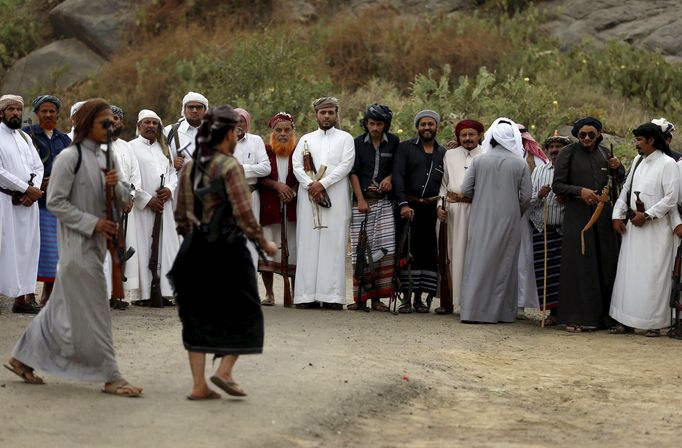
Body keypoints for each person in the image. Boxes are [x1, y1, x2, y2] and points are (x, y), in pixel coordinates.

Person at [6, 98, 143, 397]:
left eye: (113, 122)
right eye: (104, 122)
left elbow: (121, 200)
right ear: (87, 124)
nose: (111, 127)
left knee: (57, 309)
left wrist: (116, 185)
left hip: (99, 247)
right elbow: (55, 202)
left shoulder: (107, 158)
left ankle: (21, 358)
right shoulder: (70, 158)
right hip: (77, 249)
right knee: (98, 313)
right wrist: (92, 223)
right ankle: (112, 377)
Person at [170, 105, 277, 400]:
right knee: (244, 309)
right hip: (228, 250)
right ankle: (225, 370)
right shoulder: (231, 166)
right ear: (229, 133)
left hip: (194, 248)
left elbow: (181, 213)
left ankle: (198, 385)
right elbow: (244, 213)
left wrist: (192, 239)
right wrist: (264, 243)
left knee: (197, 313)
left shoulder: (191, 166)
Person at [552, 117, 624, 332]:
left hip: (603, 217)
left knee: (606, 263)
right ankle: (576, 317)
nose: (586, 138)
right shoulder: (568, 153)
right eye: (582, 134)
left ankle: (604, 318)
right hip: (578, 215)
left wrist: (618, 167)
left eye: (591, 134)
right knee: (579, 265)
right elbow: (558, 185)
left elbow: (620, 180)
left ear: (598, 134)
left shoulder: (605, 153)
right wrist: (580, 191)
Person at [459, 117, 532, 323]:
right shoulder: (520, 163)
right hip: (509, 220)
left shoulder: (480, 160)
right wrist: (514, 211)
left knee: (478, 263)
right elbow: (527, 196)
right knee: (505, 266)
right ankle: (501, 313)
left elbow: (465, 189)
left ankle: (473, 312)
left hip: (481, 219)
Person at [610, 123, 679, 336]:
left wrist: (648, 215)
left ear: (651, 140)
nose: (636, 144)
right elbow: (626, 190)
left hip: (656, 230)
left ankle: (653, 323)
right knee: (629, 273)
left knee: (653, 275)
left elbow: (671, 198)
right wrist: (617, 214)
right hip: (633, 228)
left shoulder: (668, 164)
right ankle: (625, 320)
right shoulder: (639, 160)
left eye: (640, 140)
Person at [292, 97, 354, 310]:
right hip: (308, 196)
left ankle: (332, 296)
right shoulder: (306, 139)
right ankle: (305, 295)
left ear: (336, 114)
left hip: (335, 196)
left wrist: (323, 184)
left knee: (333, 244)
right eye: (322, 113)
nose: (326, 116)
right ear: (316, 115)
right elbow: (296, 165)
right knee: (308, 243)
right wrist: (311, 184)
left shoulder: (346, 138)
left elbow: (346, 165)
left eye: (330, 112)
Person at [392, 110, 446, 313]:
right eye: (423, 124)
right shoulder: (405, 148)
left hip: (432, 210)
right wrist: (403, 204)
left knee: (428, 252)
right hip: (409, 207)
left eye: (430, 124)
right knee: (407, 250)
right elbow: (397, 176)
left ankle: (419, 299)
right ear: (417, 127)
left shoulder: (443, 153)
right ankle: (405, 298)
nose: (426, 128)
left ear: (436, 127)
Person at [348, 104, 399, 311]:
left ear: (385, 125)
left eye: (379, 124)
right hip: (362, 204)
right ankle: (360, 298)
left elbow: (399, 167)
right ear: (366, 124)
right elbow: (353, 173)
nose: (375, 128)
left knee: (383, 251)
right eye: (371, 123)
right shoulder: (358, 143)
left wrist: (390, 178)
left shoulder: (394, 142)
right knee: (360, 250)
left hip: (385, 204)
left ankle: (378, 299)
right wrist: (360, 199)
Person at [22, 95, 71, 307]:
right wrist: (39, 183)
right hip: (33, 203)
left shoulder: (64, 140)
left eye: (52, 111)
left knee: (54, 253)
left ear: (58, 114)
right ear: (36, 113)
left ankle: (47, 297)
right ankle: (26, 296)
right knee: (31, 249)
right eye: (44, 111)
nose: (48, 114)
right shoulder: (26, 136)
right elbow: (20, 165)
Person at [130, 109, 180, 307]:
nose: (151, 126)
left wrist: (169, 188)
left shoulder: (163, 148)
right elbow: (128, 177)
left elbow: (172, 173)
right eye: (147, 122)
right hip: (141, 208)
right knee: (143, 247)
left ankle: (165, 292)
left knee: (166, 247)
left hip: (164, 207)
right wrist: (146, 199)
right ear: (139, 126)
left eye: (154, 123)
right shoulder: (130, 147)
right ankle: (143, 294)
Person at [0, 94, 44, 314]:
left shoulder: (25, 138)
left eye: (18, 109)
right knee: (3, 247)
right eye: (10, 109)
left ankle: (22, 299)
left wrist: (32, 191)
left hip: (28, 204)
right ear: (2, 112)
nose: (15, 113)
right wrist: (25, 188)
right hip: (5, 201)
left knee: (27, 249)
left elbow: (38, 167)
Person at [436, 119, 484, 315]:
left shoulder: (486, 155)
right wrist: (440, 206)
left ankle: (473, 302)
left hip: (477, 211)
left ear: (480, 136)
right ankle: (453, 301)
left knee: (474, 256)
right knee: (452, 255)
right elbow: (443, 185)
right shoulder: (450, 154)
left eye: (471, 134)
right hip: (454, 213)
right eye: (463, 135)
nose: (467, 138)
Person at [529, 132, 571, 325]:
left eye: (559, 147)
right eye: (551, 147)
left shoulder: (573, 170)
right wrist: (539, 195)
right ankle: (552, 314)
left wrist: (568, 198)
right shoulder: (538, 171)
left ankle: (568, 312)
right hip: (543, 229)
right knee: (547, 273)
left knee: (567, 272)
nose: (554, 150)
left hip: (566, 229)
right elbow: (527, 202)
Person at [257, 112, 299, 306]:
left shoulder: (298, 150)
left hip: (292, 207)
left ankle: (295, 293)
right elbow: (259, 178)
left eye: (287, 130)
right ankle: (270, 294)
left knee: (293, 249)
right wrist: (277, 186)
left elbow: (305, 175)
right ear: (272, 132)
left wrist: (292, 191)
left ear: (292, 131)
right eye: (278, 130)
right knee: (268, 249)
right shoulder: (265, 150)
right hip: (269, 207)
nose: (283, 134)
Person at [102, 105, 141, 309]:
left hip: (124, 206)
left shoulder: (127, 147)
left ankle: (116, 296)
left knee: (120, 251)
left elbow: (134, 175)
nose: (113, 121)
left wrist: (130, 197)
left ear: (122, 122)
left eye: (116, 118)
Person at [516, 125, 549, 317]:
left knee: (523, 259)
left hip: (527, 214)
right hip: (502, 212)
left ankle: (520, 304)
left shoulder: (534, 157)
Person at [233, 107, 271, 268]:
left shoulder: (256, 141)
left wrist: (242, 169)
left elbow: (265, 168)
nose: (238, 124)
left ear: (247, 123)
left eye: (241, 121)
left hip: (251, 195)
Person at [165, 91, 209, 171]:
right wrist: (171, 164)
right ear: (184, 110)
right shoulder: (170, 131)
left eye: (198, 107)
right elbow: (156, 160)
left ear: (205, 110)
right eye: (190, 107)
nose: (194, 110)